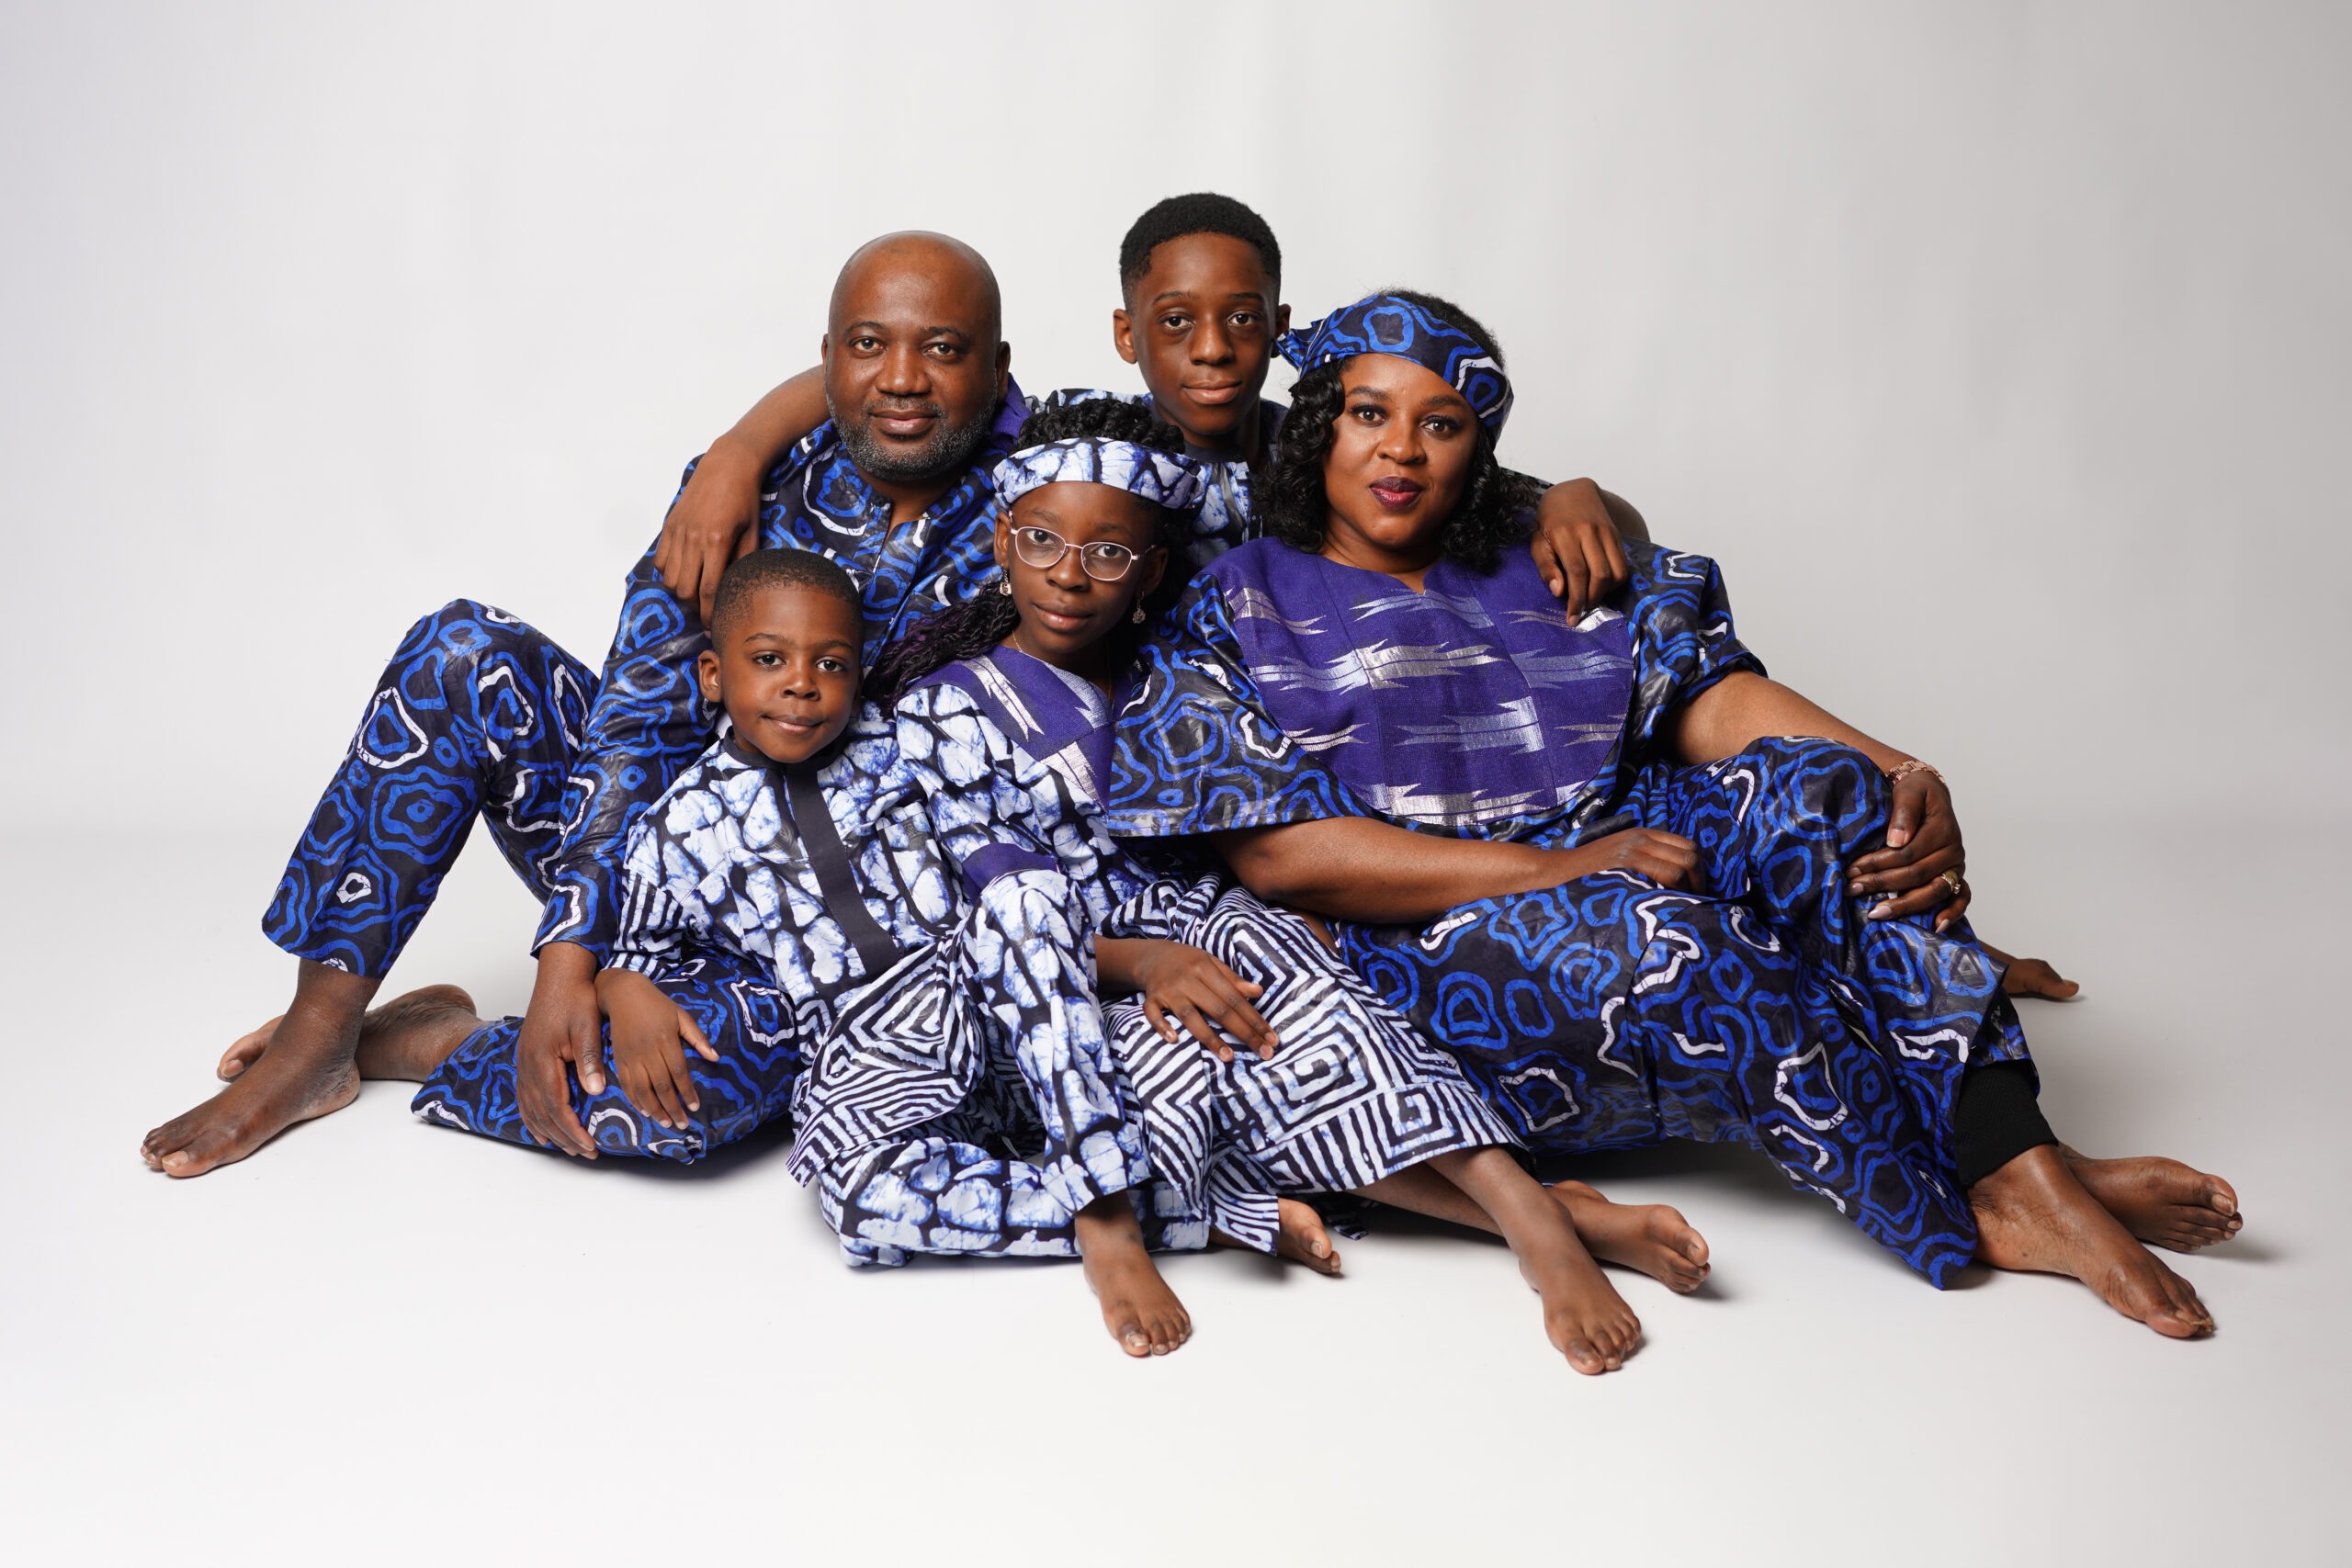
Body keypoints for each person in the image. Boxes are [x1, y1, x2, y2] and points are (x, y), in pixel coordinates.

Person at [1105, 289, 2241, 1337]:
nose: (1401, 450)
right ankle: (1971, 1190)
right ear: (1320, 426)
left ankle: (2019, 1162)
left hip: (1617, 850)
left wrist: (1901, 770)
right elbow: (1288, 859)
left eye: (1441, 424)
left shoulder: (1534, 561)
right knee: (1677, 942)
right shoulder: (1233, 600)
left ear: (1479, 454)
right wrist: (1563, 870)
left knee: (1834, 796)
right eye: (1368, 413)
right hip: (1425, 943)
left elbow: (1705, 701)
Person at [657, 192, 2078, 1000]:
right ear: (1121, 336)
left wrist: (1592, 492)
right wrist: (735, 448)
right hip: (1094, 767)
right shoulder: (1083, 435)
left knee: (1688, 755)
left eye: (1238, 324)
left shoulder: (1322, 445)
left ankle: (1912, 955)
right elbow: (917, 372)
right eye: (1173, 325)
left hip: (1280, 759)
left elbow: (1513, 508)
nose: (1207, 350)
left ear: (1279, 335)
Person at [796, 395, 1658, 1370]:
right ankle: (1540, 1217)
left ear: (1153, 568)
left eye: (1109, 554)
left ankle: (1524, 1216)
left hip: (1201, 933)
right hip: (1055, 985)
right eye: (1040, 540)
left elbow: (1249, 831)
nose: (1070, 576)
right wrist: (1145, 964)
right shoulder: (941, 711)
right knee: (1195, 1082)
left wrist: (1243, 931)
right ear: (1002, 538)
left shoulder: (1184, 669)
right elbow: (994, 904)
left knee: (1281, 989)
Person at [141, 231, 1027, 1176]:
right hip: (677, 856)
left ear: (997, 370)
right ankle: (312, 1043)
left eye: (942, 349)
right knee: (460, 654)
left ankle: (426, 1041)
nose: (902, 378)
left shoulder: (1045, 500)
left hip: (843, 929)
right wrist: (578, 956)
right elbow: (637, 724)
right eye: (866, 345)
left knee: (662, 1106)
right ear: (826, 356)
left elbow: (1160, 437)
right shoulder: (744, 491)